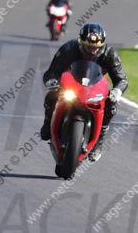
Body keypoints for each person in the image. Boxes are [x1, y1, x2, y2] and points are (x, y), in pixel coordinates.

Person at [40, 22, 128, 161]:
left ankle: (99, 140)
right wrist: (52, 81)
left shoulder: (110, 54)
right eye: (88, 47)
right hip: (71, 83)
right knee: (52, 94)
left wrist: (117, 91)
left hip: (95, 86)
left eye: (96, 48)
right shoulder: (69, 48)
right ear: (81, 42)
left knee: (111, 106)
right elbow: (51, 72)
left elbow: (122, 79)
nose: (93, 51)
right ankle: (47, 122)